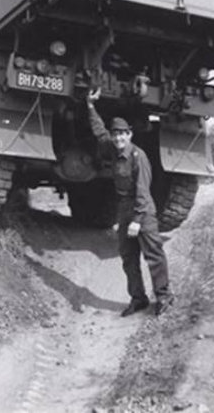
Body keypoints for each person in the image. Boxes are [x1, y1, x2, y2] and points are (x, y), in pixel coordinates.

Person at [87, 87, 173, 316]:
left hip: (142, 212)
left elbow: (143, 191)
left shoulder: (138, 157)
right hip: (124, 210)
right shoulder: (113, 149)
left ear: (130, 135)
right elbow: (99, 131)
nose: (118, 138)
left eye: (122, 134)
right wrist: (90, 106)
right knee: (128, 257)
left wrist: (136, 220)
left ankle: (164, 296)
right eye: (115, 135)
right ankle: (138, 298)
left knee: (153, 254)